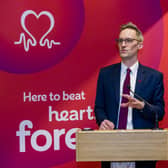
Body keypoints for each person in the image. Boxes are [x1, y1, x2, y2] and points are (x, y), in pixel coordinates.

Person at [94, 22, 165, 168]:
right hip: (112, 145)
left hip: (142, 148)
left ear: (139, 45)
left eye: (128, 40)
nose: (123, 45)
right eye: (120, 40)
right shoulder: (105, 74)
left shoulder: (154, 77)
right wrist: (103, 120)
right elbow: (99, 107)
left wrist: (142, 106)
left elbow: (160, 112)